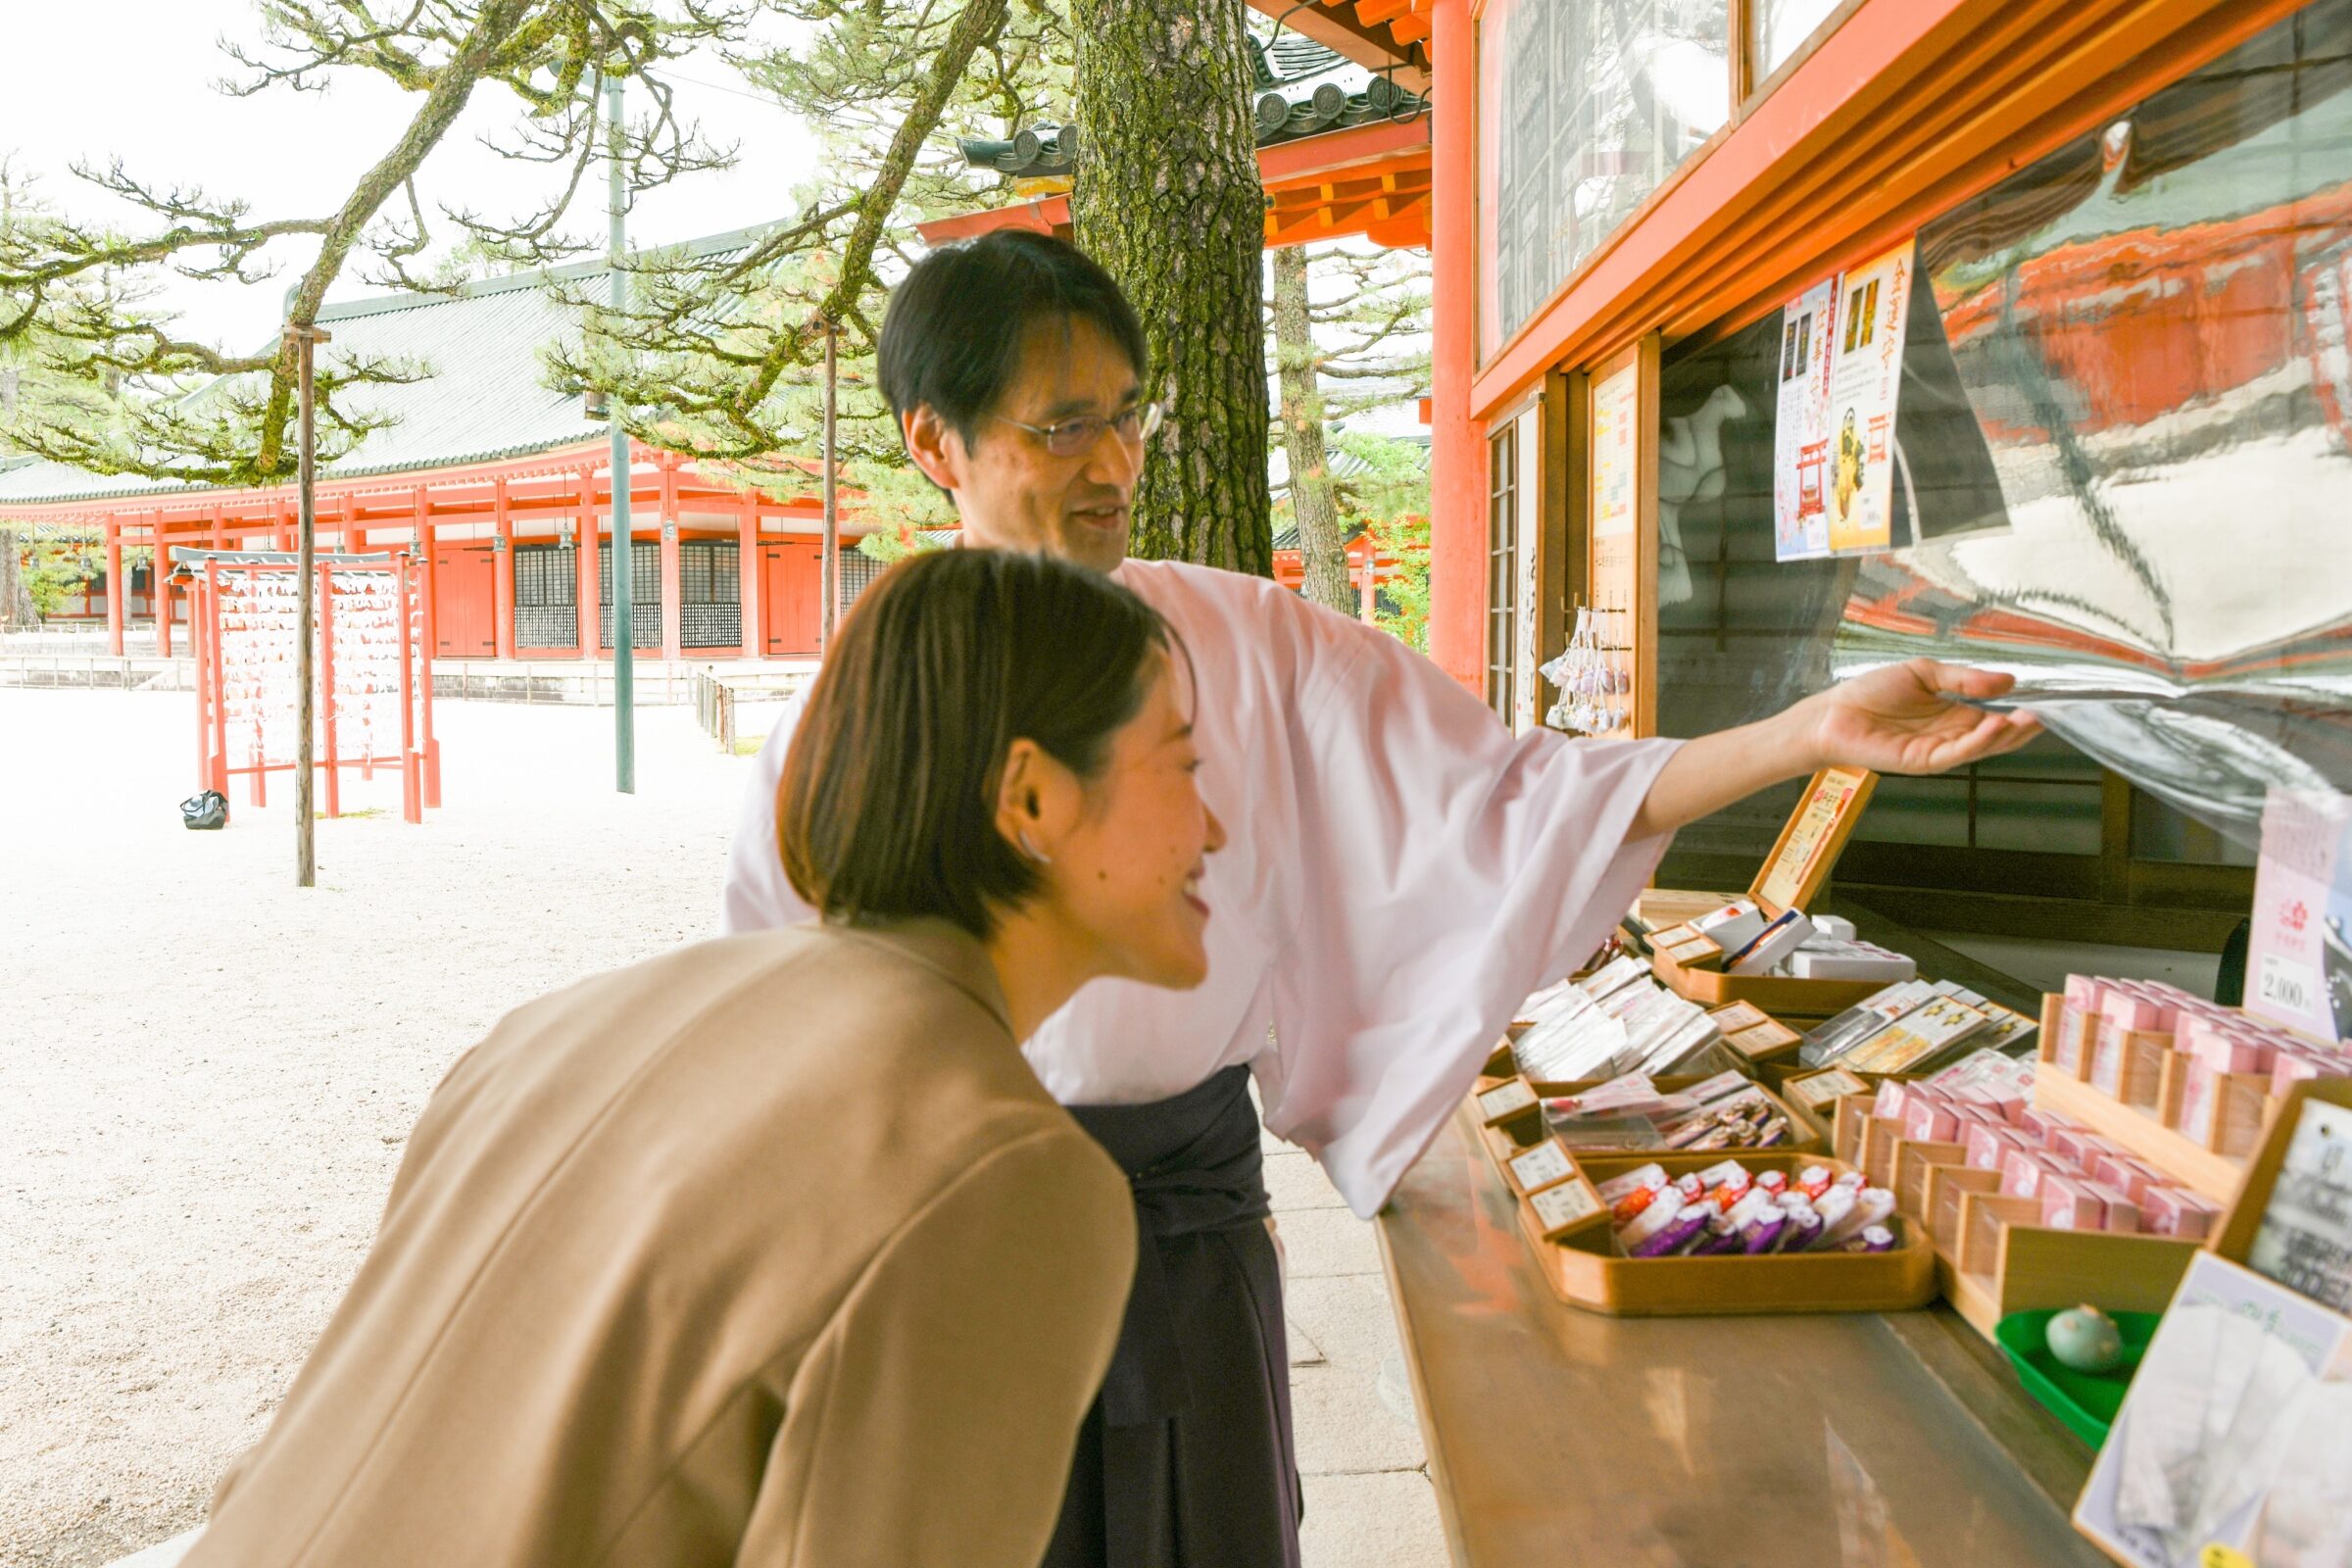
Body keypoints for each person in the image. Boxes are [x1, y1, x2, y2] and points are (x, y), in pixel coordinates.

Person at [718, 230, 2041, 1568]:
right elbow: (783, 1034)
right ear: (934, 443)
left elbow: (1509, 797)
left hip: (1181, 1233)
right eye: (1064, 426)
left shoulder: (1246, 643)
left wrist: (1804, 734)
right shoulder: (858, 709)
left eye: (1128, 415)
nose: (1113, 461)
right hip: (946, 1259)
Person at [183, 549, 1224, 1568]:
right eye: (1182, 764)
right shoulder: (1005, 1173)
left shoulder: (553, 1029)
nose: (1214, 826)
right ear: (1031, 798)